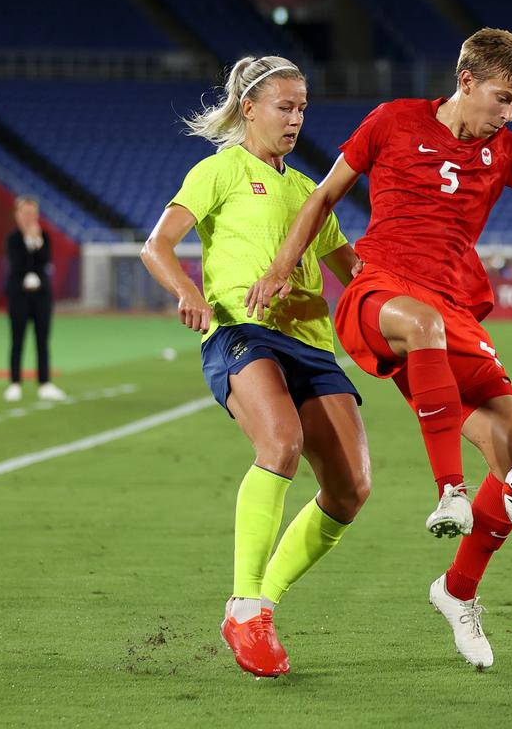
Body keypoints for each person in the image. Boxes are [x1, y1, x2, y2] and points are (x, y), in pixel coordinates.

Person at [246, 28, 512, 668]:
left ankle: (457, 590)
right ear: (465, 80)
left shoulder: (507, 151)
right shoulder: (392, 121)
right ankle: (449, 488)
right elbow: (325, 195)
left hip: (453, 308)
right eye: (502, 98)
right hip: (379, 294)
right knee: (422, 328)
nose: (508, 113)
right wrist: (282, 266)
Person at [140, 55, 371, 678]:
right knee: (281, 441)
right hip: (242, 332)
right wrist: (187, 292)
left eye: (303, 108)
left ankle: (262, 602)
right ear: (250, 109)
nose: (296, 119)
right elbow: (156, 244)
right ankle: (246, 603)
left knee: (350, 490)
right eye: (284, 107)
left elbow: (355, 275)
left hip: (312, 345)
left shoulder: (308, 192)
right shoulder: (219, 171)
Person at [4, 196, 65, 402]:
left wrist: (36, 242)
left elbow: (45, 261)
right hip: (19, 295)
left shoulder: (45, 236)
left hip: (41, 296)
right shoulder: (13, 239)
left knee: (42, 340)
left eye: (32, 213)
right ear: (17, 215)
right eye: (25, 213)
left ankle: (45, 383)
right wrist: (28, 241)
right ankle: (14, 383)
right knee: (17, 339)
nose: (29, 217)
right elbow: (17, 264)